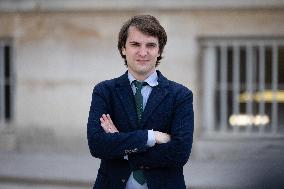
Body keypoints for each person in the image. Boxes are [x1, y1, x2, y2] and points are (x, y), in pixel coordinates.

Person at [87, 15, 194, 189]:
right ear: (123, 48)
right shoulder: (104, 91)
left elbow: (180, 153)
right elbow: (97, 145)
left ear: (159, 51)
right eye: (135, 44)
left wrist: (120, 143)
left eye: (150, 45)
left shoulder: (180, 95)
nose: (143, 52)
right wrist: (151, 137)